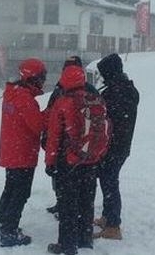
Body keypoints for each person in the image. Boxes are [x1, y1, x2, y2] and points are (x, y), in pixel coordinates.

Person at [44, 65, 106, 255]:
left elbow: (53, 136)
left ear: (64, 80)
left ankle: (67, 245)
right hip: (90, 160)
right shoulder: (96, 100)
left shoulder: (62, 102)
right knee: (87, 202)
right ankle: (85, 239)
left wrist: (50, 162)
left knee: (67, 205)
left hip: (68, 162)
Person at [0, 58, 47, 247]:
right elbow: (39, 125)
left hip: (11, 152)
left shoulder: (11, 93)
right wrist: (50, 113)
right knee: (20, 193)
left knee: (10, 190)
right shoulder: (25, 99)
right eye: (42, 77)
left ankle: (1, 224)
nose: (43, 81)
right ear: (33, 78)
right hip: (22, 154)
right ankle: (9, 231)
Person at [43, 56, 100, 217]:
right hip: (88, 147)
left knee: (64, 183)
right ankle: (84, 230)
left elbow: (51, 121)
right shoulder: (90, 90)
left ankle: (64, 209)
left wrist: (48, 149)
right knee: (86, 188)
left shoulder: (60, 91)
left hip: (65, 148)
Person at [93, 53, 139, 240]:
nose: (102, 77)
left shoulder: (116, 92)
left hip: (113, 146)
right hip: (120, 145)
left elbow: (106, 118)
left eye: (104, 73)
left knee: (110, 182)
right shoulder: (127, 89)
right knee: (108, 180)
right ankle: (107, 217)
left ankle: (113, 225)